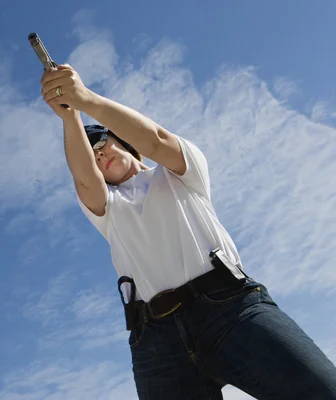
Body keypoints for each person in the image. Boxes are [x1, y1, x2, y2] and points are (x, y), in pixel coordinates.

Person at [40, 64, 336, 399]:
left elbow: (156, 140)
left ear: (124, 142)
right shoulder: (108, 209)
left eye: (103, 143)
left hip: (231, 310)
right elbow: (84, 180)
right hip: (157, 341)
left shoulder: (180, 171)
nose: (98, 154)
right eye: (91, 155)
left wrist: (85, 100)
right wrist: (69, 118)